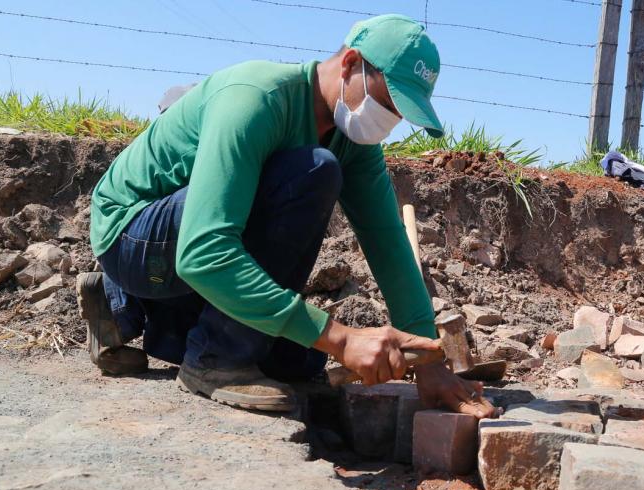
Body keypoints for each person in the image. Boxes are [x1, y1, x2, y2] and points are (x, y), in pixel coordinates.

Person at [79, 14, 497, 419]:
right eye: (388, 101)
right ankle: (214, 359)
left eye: (401, 112)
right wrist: (342, 338)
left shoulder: (353, 142)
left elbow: (387, 242)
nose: (391, 121)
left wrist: (427, 359)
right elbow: (203, 252)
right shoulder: (256, 98)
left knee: (298, 363)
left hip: (182, 251)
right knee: (314, 171)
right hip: (133, 238)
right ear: (350, 63)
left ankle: (121, 309)